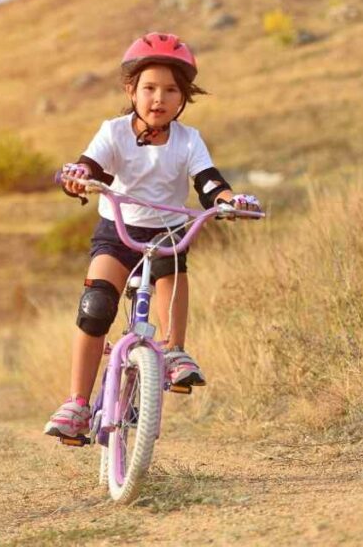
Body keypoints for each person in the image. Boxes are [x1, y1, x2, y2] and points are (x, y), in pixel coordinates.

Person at [44, 32, 261, 439]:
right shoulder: (113, 132)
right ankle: (76, 404)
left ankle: (174, 349)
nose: (158, 98)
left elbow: (209, 182)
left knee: (171, 268)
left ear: (183, 99)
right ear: (131, 90)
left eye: (170, 90)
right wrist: (77, 178)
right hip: (118, 231)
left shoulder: (189, 140)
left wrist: (232, 200)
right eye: (149, 88)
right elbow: (90, 166)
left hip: (167, 230)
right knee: (95, 306)